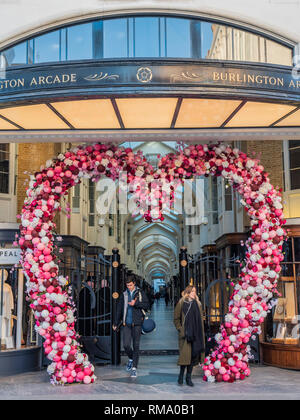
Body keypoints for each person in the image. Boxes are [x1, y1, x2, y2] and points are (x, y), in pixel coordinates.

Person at [113, 277, 149, 378]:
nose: (129, 287)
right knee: (126, 345)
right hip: (126, 324)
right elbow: (119, 308)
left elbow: (147, 305)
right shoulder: (124, 294)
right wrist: (116, 322)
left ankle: (134, 368)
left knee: (136, 345)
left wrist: (136, 303)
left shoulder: (140, 292)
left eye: (130, 285)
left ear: (134, 284)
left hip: (137, 323)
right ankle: (131, 358)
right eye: (127, 285)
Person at [173, 285, 205, 387]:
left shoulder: (198, 304)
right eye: (192, 291)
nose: (194, 293)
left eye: (195, 291)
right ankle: (181, 375)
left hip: (196, 333)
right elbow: (176, 318)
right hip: (186, 334)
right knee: (184, 356)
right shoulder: (181, 303)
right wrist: (180, 329)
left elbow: (200, 318)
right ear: (187, 292)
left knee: (192, 357)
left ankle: (188, 377)